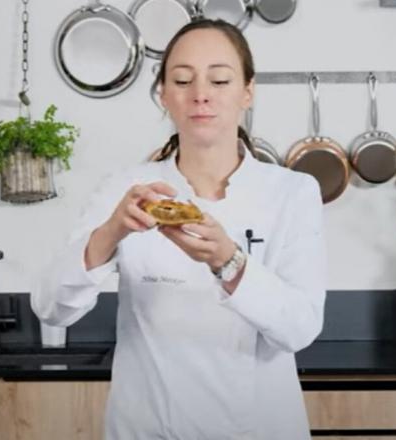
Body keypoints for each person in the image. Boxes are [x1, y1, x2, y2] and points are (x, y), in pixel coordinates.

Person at [31, 18, 326, 440]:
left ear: (247, 91)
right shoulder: (125, 189)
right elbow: (51, 307)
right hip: (150, 428)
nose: (201, 94)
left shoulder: (292, 192)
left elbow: (299, 329)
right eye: (183, 80)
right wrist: (111, 232)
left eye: (220, 80)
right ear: (164, 95)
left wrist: (229, 261)